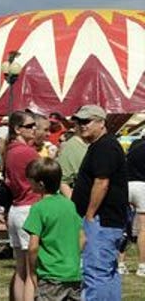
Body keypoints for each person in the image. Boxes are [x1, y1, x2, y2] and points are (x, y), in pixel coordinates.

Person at [68, 104, 128, 300]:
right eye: (79, 121)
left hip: (102, 220)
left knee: (95, 273)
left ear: (102, 123)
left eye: (87, 121)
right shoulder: (102, 145)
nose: (81, 125)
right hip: (107, 221)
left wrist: (90, 215)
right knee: (108, 272)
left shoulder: (105, 146)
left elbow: (102, 182)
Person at [23, 158, 83, 301]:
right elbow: (82, 238)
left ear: (40, 184)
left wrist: (32, 272)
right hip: (73, 274)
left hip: (50, 275)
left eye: (30, 180)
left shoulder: (38, 208)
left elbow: (33, 247)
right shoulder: (70, 205)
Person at [4, 110, 43, 301]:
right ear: (17, 129)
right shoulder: (28, 152)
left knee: (20, 269)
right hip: (29, 207)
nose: (34, 129)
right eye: (29, 126)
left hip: (16, 209)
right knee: (31, 271)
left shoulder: (10, 150)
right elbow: (45, 175)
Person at [127, 137, 145, 278]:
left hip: (126, 185)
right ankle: (142, 266)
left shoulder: (134, 146)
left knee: (122, 226)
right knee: (143, 229)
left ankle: (120, 263)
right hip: (142, 186)